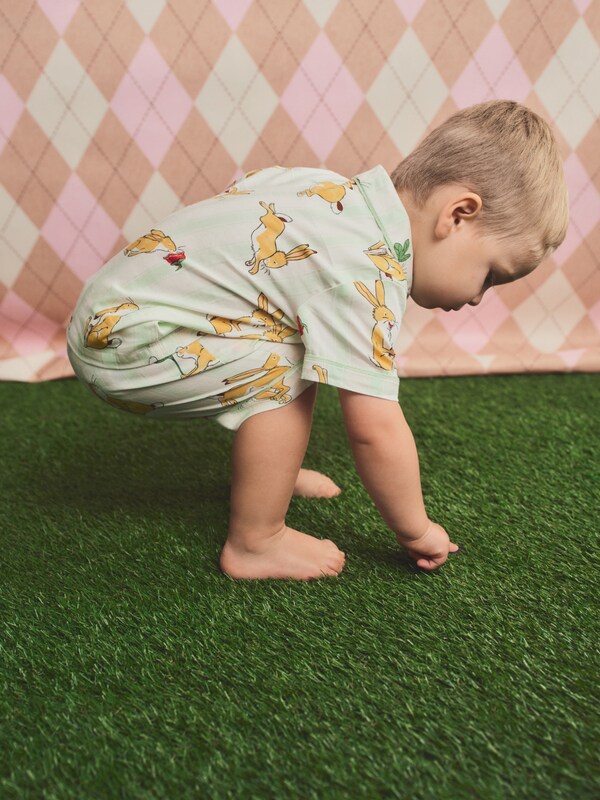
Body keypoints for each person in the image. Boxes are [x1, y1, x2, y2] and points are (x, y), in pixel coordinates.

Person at [66, 100, 569, 581]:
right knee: (285, 366)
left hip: (106, 313)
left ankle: (271, 474)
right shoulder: (364, 268)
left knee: (288, 335)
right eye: (490, 276)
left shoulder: (328, 190)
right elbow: (374, 429)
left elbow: (248, 192)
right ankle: (256, 539)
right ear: (457, 214)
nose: (479, 299)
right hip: (127, 349)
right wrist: (416, 528)